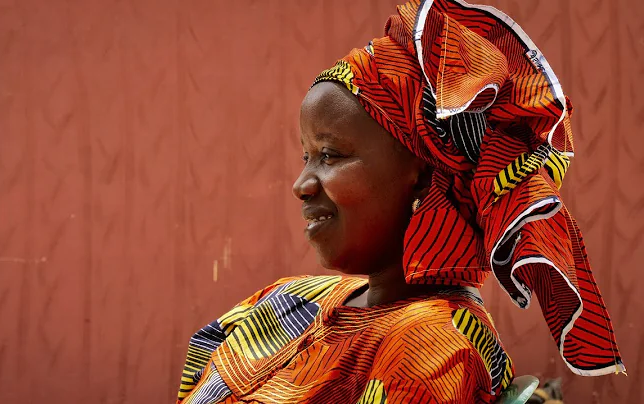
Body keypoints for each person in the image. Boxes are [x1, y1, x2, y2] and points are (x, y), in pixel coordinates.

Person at [176, 1, 625, 403]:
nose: (301, 184)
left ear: (423, 173)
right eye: (306, 155)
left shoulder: (428, 350)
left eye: (330, 155)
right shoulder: (290, 299)